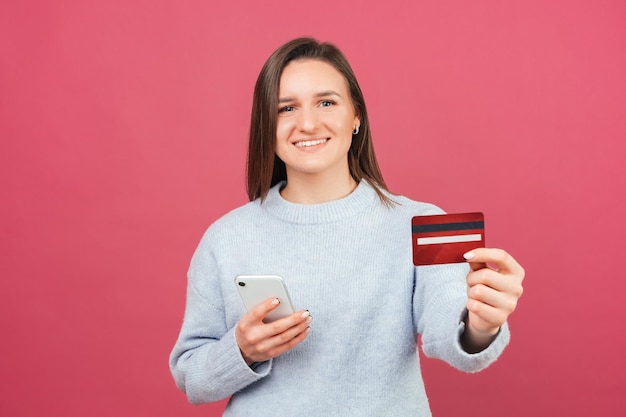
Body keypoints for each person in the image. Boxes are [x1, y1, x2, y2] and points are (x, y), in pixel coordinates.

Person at [169, 37, 524, 416]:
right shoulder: (225, 238)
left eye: (326, 102)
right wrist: (241, 350)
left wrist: (481, 324)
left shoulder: (427, 223)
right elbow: (192, 377)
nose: (307, 123)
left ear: (356, 116)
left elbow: (452, 334)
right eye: (286, 108)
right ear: (266, 126)